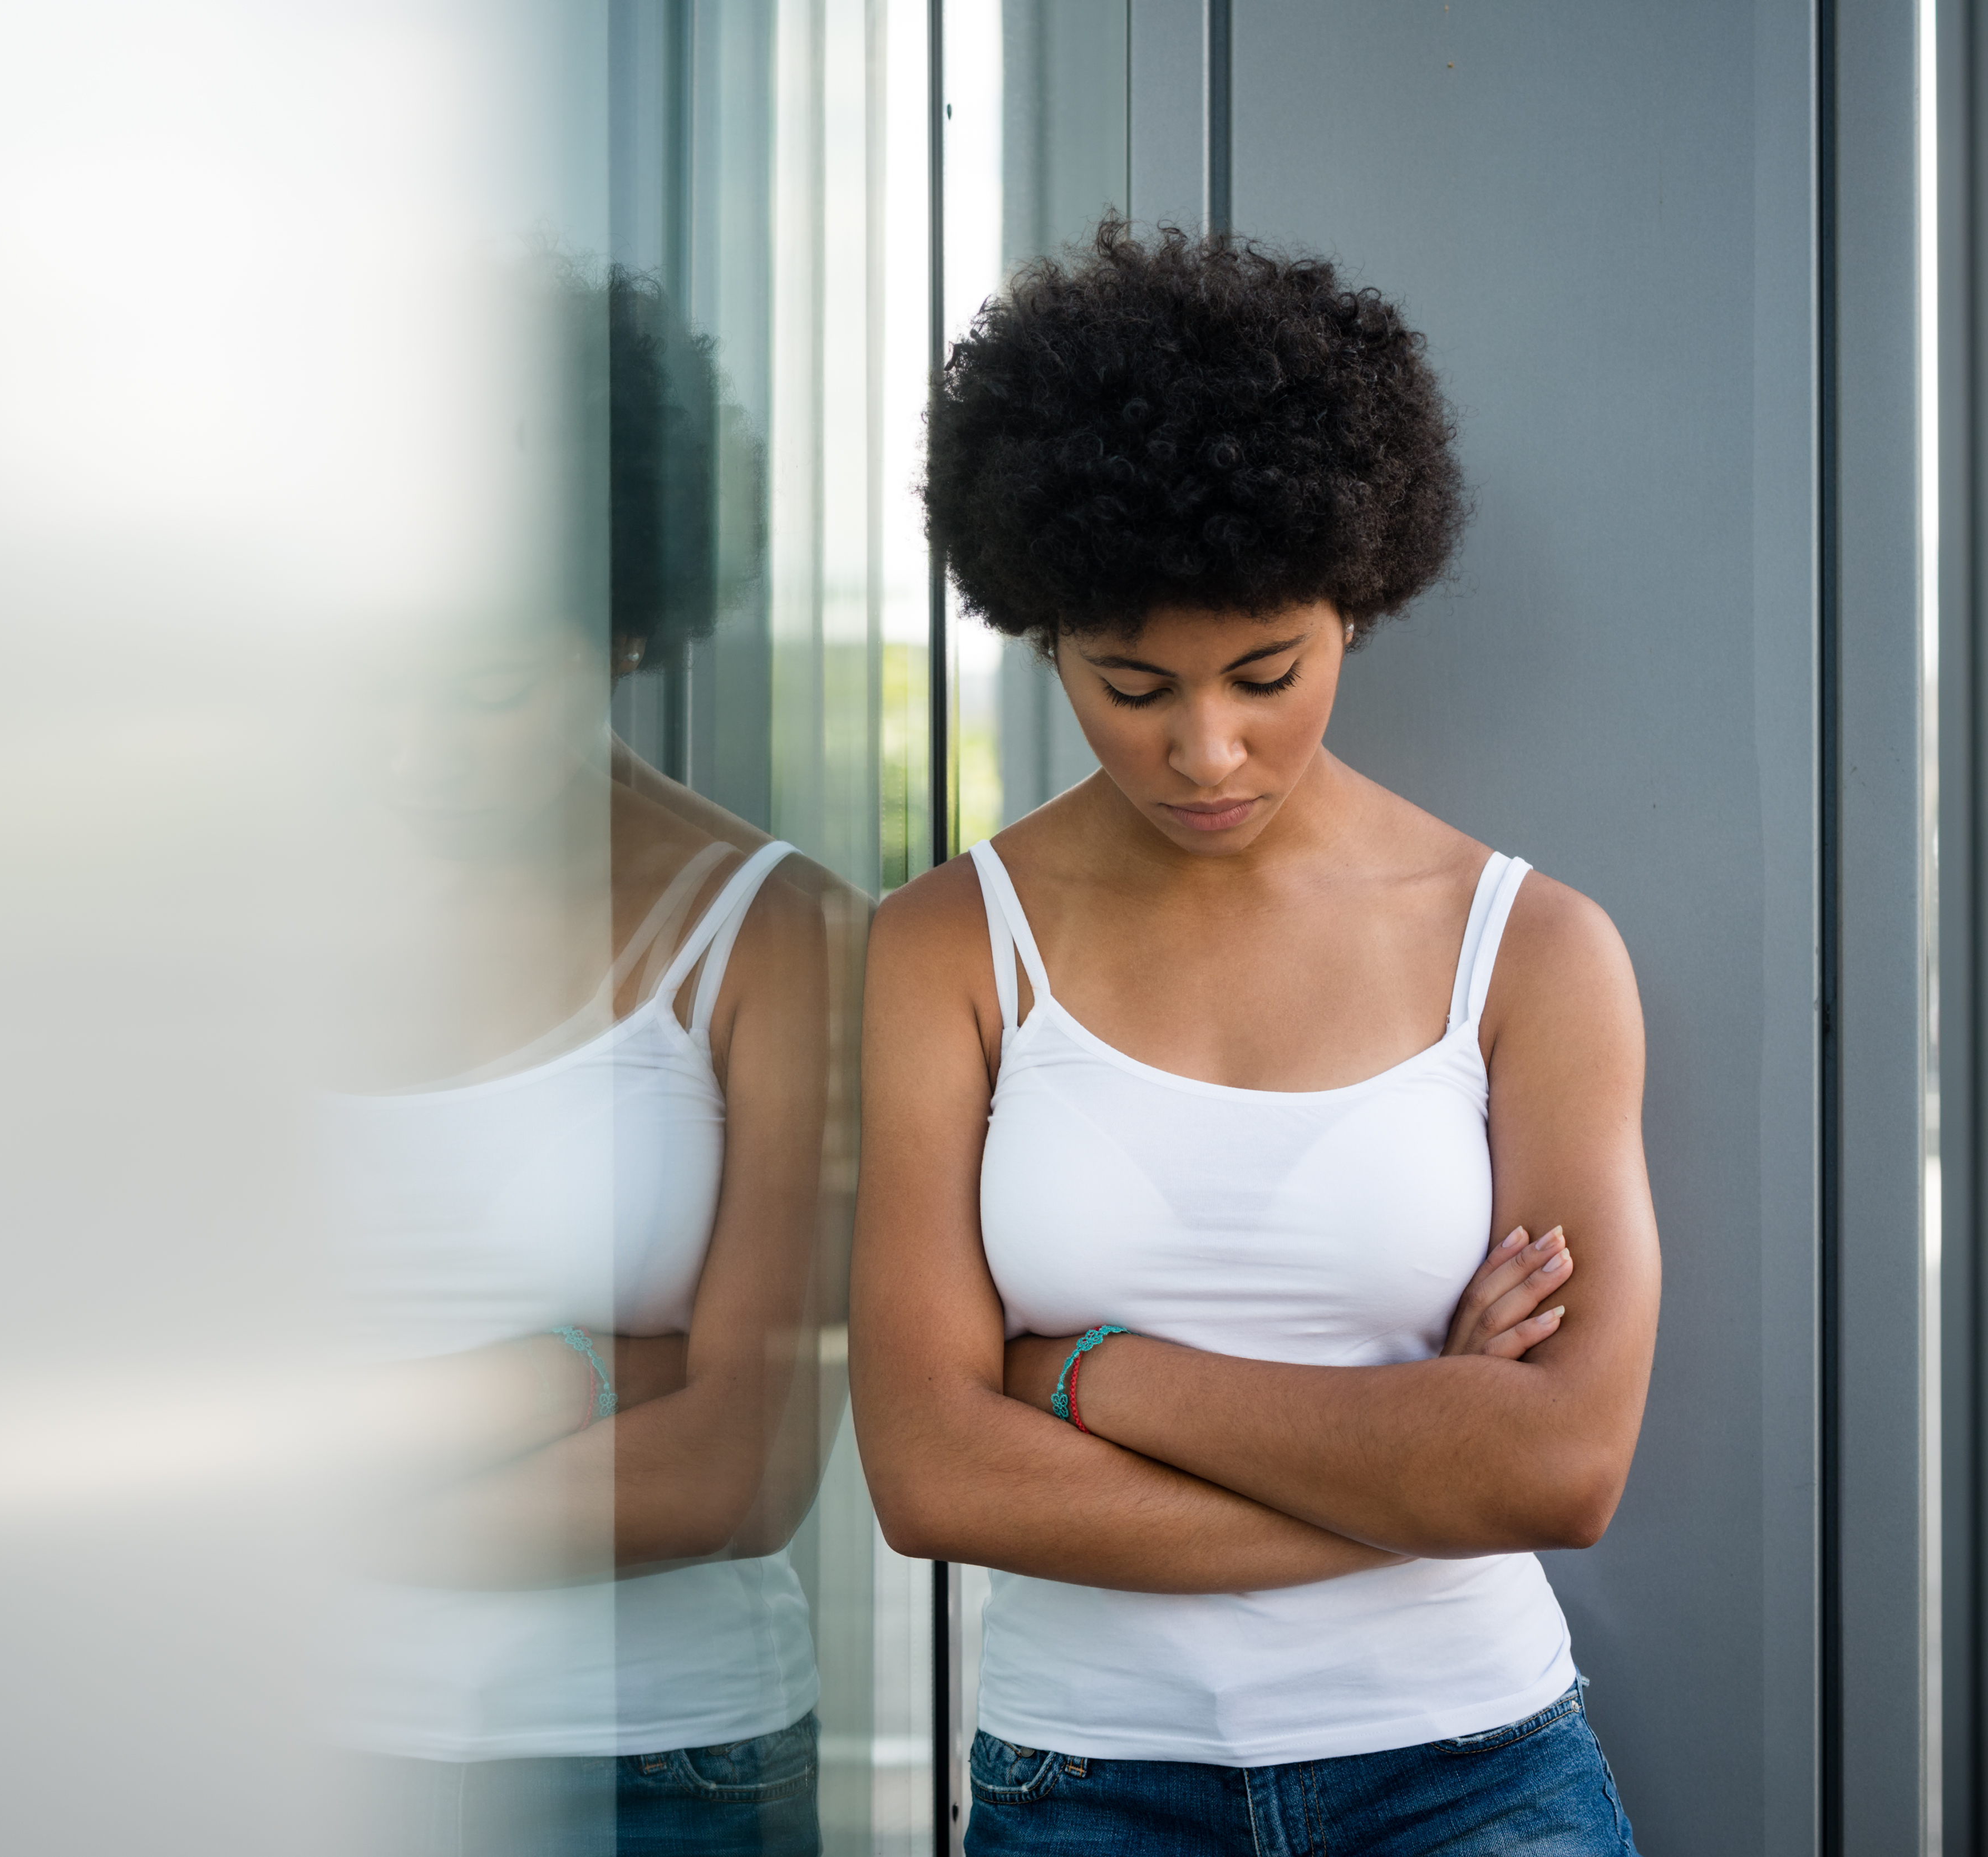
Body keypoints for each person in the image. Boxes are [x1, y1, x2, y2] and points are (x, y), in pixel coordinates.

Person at [850, 218, 1659, 1851]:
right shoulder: (949, 946)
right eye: (1131, 686)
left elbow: (1561, 1468)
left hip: (1472, 1779)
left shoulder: (1533, 951)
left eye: (1266, 672)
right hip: (1084, 1790)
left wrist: (1090, 1372)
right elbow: (933, 1477)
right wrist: (1417, 1460)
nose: (1205, 752)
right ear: (1045, 633)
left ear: (1356, 597)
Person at [323, 263, 865, 1857]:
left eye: (486, 685)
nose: (415, 744)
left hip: (655, 1772)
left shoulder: (779, 940)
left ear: (626, 623)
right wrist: (584, 1364)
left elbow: (743, 1473)